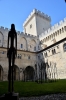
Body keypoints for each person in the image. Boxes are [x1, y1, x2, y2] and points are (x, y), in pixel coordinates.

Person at [7, 24, 17, 93]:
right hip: (10, 49)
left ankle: (12, 88)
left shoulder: (15, 33)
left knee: (13, 67)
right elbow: (8, 42)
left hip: (13, 49)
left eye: (13, 26)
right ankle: (9, 88)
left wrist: (16, 51)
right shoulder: (9, 32)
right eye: (12, 26)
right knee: (9, 67)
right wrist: (7, 50)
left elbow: (16, 43)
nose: (12, 27)